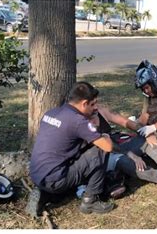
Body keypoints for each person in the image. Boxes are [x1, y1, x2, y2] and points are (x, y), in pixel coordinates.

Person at [27, 82, 114, 217]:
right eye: (93, 104)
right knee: (100, 149)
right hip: (56, 179)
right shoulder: (78, 121)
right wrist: (104, 134)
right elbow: (107, 147)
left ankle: (47, 194)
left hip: (37, 174)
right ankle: (90, 200)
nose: (95, 108)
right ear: (84, 103)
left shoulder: (52, 112)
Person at [96, 106, 157, 192]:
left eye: (95, 101)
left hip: (117, 143)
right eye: (92, 103)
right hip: (103, 155)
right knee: (124, 161)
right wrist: (131, 154)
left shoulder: (99, 109)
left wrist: (146, 132)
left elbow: (125, 122)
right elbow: (106, 146)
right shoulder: (83, 126)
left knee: (146, 140)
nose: (95, 105)